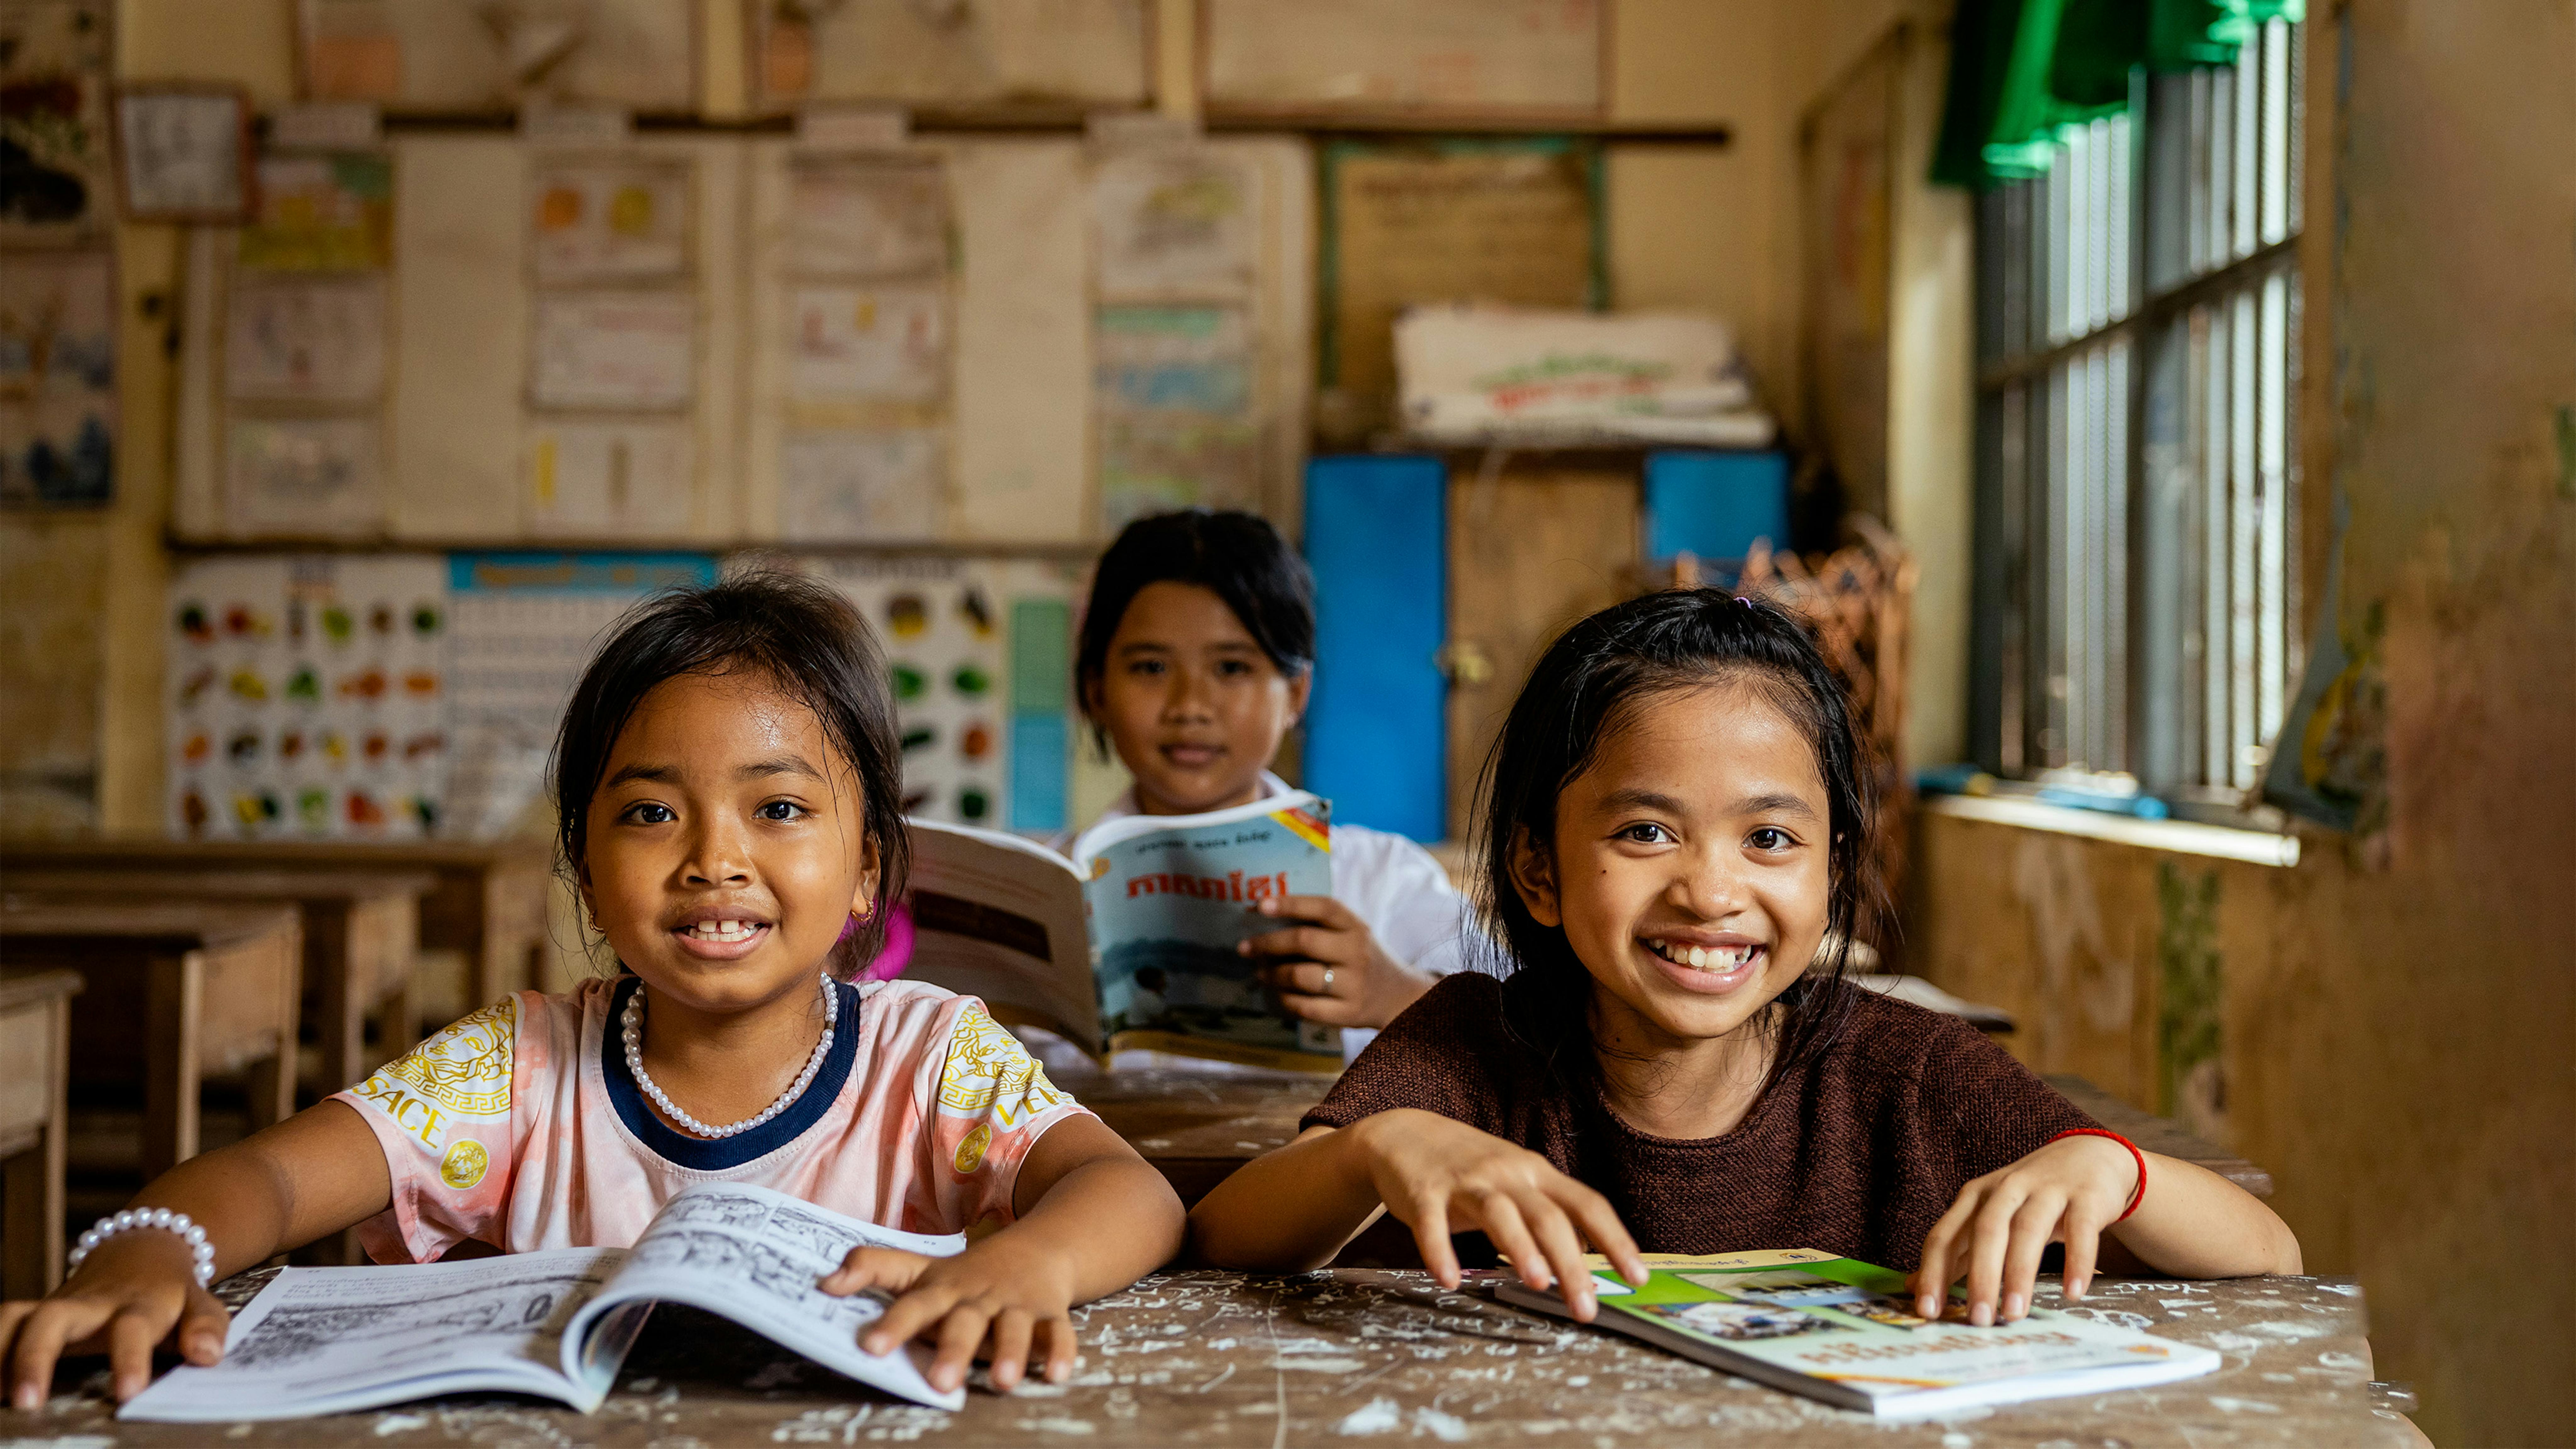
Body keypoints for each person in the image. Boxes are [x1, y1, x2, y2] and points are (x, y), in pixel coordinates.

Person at [1, 571, 1183, 1408]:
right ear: (582, 864)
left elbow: (1128, 1191)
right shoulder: (516, 1065)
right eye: (650, 810)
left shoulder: (929, 1055)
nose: (714, 857)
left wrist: (1027, 1263)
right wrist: (145, 1251)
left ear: (869, 863)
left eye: (777, 807)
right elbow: (262, 1172)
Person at [1186, 589, 2300, 1326]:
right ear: (1537, 869)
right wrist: (1376, 1147)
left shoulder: (1903, 1070)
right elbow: (1220, 1233)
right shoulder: (1481, 1044)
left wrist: (2116, 1168)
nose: (1712, 891)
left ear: (1830, 872)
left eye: (1770, 838)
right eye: (1644, 831)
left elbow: (2270, 1256)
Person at [1063, 509, 1479, 1060]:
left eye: (1232, 668)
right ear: (1096, 692)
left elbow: (1525, 1043)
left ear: (1297, 692)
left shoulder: (1383, 880)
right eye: (1151, 668)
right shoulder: (1049, 888)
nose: (1190, 707)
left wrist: (1395, 994)